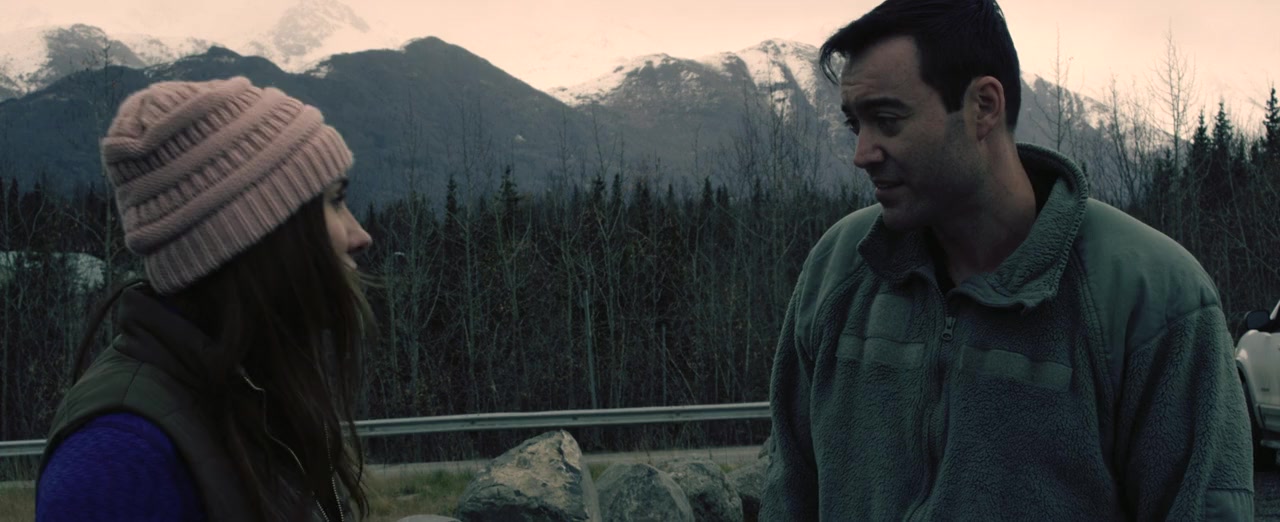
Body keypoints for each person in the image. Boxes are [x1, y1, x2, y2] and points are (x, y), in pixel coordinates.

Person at [761, 0, 1254, 519]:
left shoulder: (1153, 297)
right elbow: (789, 492)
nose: (862, 153)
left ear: (984, 106)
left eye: (887, 120)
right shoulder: (840, 268)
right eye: (854, 125)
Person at [35, 76, 377, 521]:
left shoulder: (251, 388)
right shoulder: (118, 462)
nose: (360, 235)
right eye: (334, 201)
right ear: (250, 234)